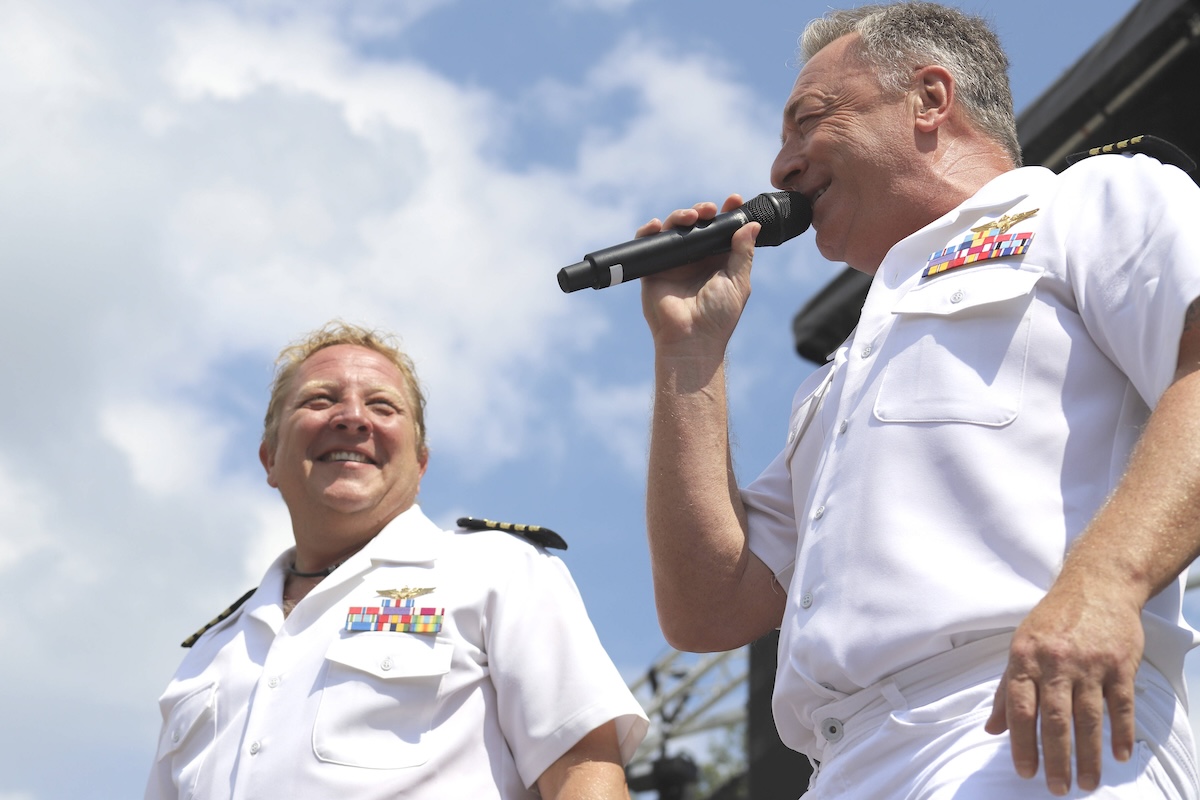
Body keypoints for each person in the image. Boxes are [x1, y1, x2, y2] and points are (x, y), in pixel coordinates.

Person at [636, 3, 1200, 798]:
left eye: (808, 121)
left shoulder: (1087, 201)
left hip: (1025, 721)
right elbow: (709, 610)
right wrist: (687, 354)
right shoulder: (836, 377)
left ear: (930, 99)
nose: (781, 168)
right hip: (841, 766)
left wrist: (1106, 584)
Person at [145, 321, 648, 800]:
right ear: (270, 458)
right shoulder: (209, 654)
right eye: (321, 400)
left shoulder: (497, 572)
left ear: (421, 462)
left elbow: (583, 770)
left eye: (383, 406)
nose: (352, 417)